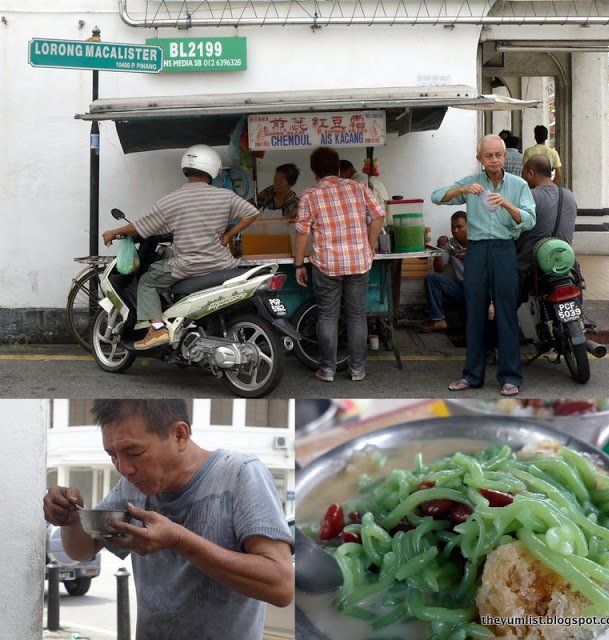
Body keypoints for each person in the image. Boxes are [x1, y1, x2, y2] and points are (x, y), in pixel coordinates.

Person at [43, 399, 294, 640]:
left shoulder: (239, 474)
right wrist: (71, 519)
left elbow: (281, 586)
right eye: (112, 455)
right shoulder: (132, 486)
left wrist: (178, 540)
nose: (124, 468)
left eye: (134, 451)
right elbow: (81, 549)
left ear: (179, 435)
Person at [102, 145, 260, 350]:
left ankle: (157, 329)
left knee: (148, 281)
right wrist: (228, 235)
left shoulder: (172, 200)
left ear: (186, 168)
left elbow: (142, 225)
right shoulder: (225, 196)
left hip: (189, 266)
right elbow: (252, 213)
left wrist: (115, 232)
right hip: (223, 264)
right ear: (213, 170)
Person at [431, 134, 536, 396]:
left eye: (498, 154)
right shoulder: (472, 183)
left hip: (503, 250)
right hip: (476, 250)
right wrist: (463, 191)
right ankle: (472, 375)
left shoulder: (518, 184)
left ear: (504, 156)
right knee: (474, 312)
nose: (494, 160)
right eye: (488, 155)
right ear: (479, 159)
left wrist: (507, 205)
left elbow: (530, 220)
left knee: (506, 313)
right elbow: (437, 196)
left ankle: (510, 376)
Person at [294, 147, 386, 382]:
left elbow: (302, 234)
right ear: (337, 168)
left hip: (327, 264)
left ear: (314, 171)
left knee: (328, 316)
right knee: (356, 316)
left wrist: (298, 265)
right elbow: (379, 214)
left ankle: (327, 370)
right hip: (358, 261)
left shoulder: (309, 195)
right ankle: (357, 370)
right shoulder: (357, 187)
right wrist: (369, 244)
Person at [518, 154, 578, 293]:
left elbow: (517, 230)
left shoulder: (531, 196)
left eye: (524, 174)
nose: (524, 179)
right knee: (576, 277)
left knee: (506, 297)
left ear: (530, 173)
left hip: (529, 264)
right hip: (564, 261)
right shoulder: (569, 195)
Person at [419, 211, 468, 333]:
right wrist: (440, 249)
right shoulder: (450, 243)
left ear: (469, 226)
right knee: (432, 278)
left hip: (478, 290)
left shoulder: (478, 243)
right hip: (460, 289)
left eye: (460, 227)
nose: (455, 230)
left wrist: (471, 256)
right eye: (453, 226)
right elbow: (439, 269)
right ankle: (438, 319)